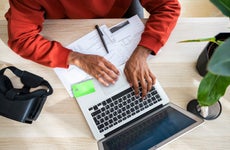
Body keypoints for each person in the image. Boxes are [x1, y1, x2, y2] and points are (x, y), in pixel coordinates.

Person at [5, 0, 180, 98]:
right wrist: (74, 57)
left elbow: (168, 6)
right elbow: (21, 38)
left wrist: (142, 52)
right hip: (61, 24)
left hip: (119, 12)